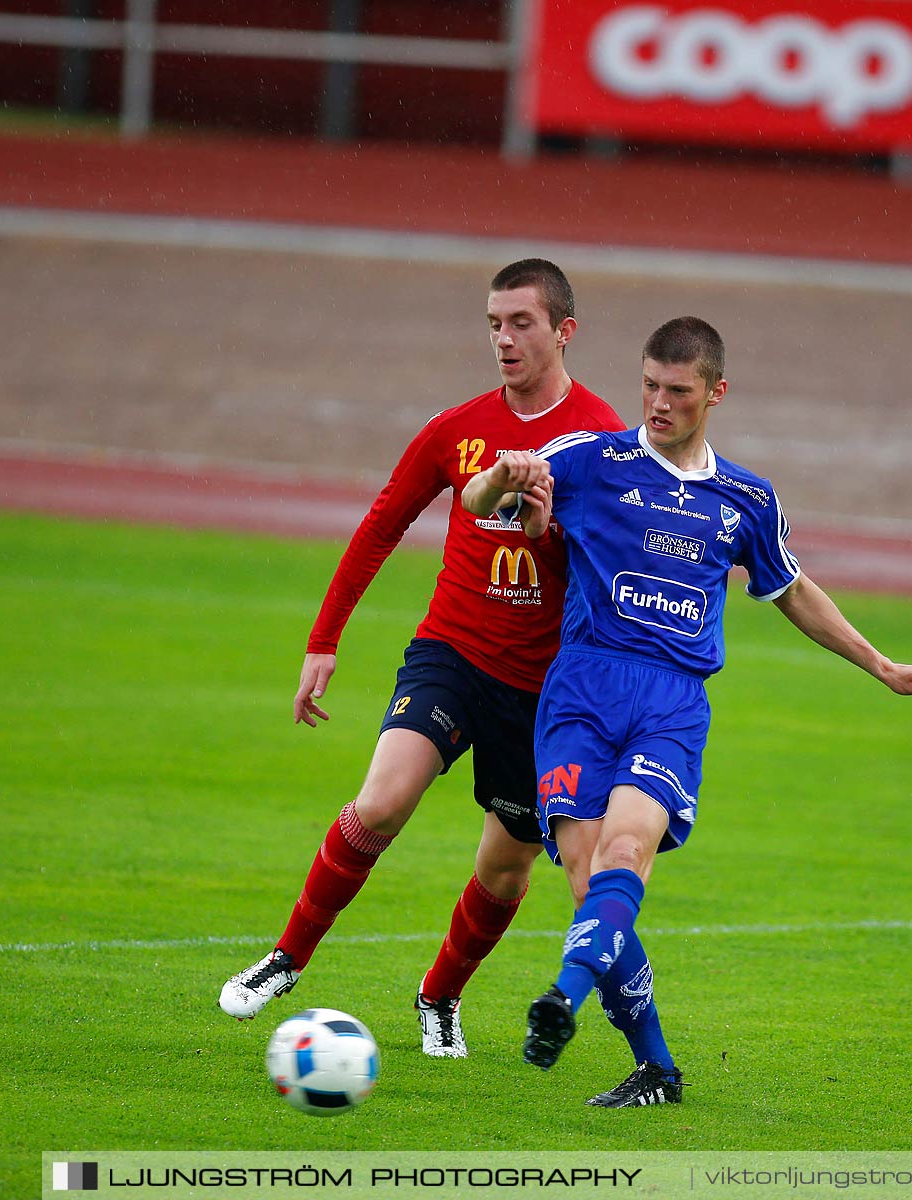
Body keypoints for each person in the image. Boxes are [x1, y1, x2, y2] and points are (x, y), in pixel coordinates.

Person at [461, 316, 912, 1107]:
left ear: (715, 393)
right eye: (649, 384)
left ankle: (563, 997)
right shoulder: (589, 459)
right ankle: (657, 1067)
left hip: (670, 705)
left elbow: (791, 588)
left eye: (677, 391)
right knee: (589, 883)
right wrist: (505, 474)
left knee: (624, 856)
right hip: (580, 693)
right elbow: (482, 501)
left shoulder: (744, 499)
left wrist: (883, 665)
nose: (657, 403)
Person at [219, 260, 626, 1059]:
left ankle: (439, 995)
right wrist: (323, 641)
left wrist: (551, 530)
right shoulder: (457, 429)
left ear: (564, 332)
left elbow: (614, 568)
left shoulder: (605, 438)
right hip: (452, 654)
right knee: (379, 803)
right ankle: (287, 957)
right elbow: (380, 525)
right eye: (493, 323)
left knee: (506, 872)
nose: (503, 339)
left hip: (543, 691)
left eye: (520, 323)